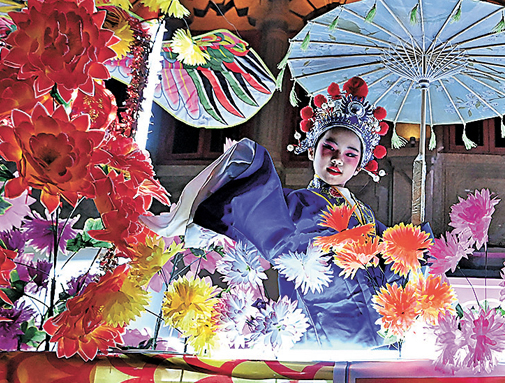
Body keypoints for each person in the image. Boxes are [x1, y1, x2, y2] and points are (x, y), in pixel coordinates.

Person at [145, 76, 401, 349]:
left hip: (375, 324)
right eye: (330, 147)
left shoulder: (364, 213)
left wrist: (413, 251)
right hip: (323, 322)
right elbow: (271, 228)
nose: (338, 159)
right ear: (312, 150)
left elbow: (393, 257)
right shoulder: (298, 203)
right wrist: (246, 163)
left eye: (351, 154)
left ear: (360, 165)